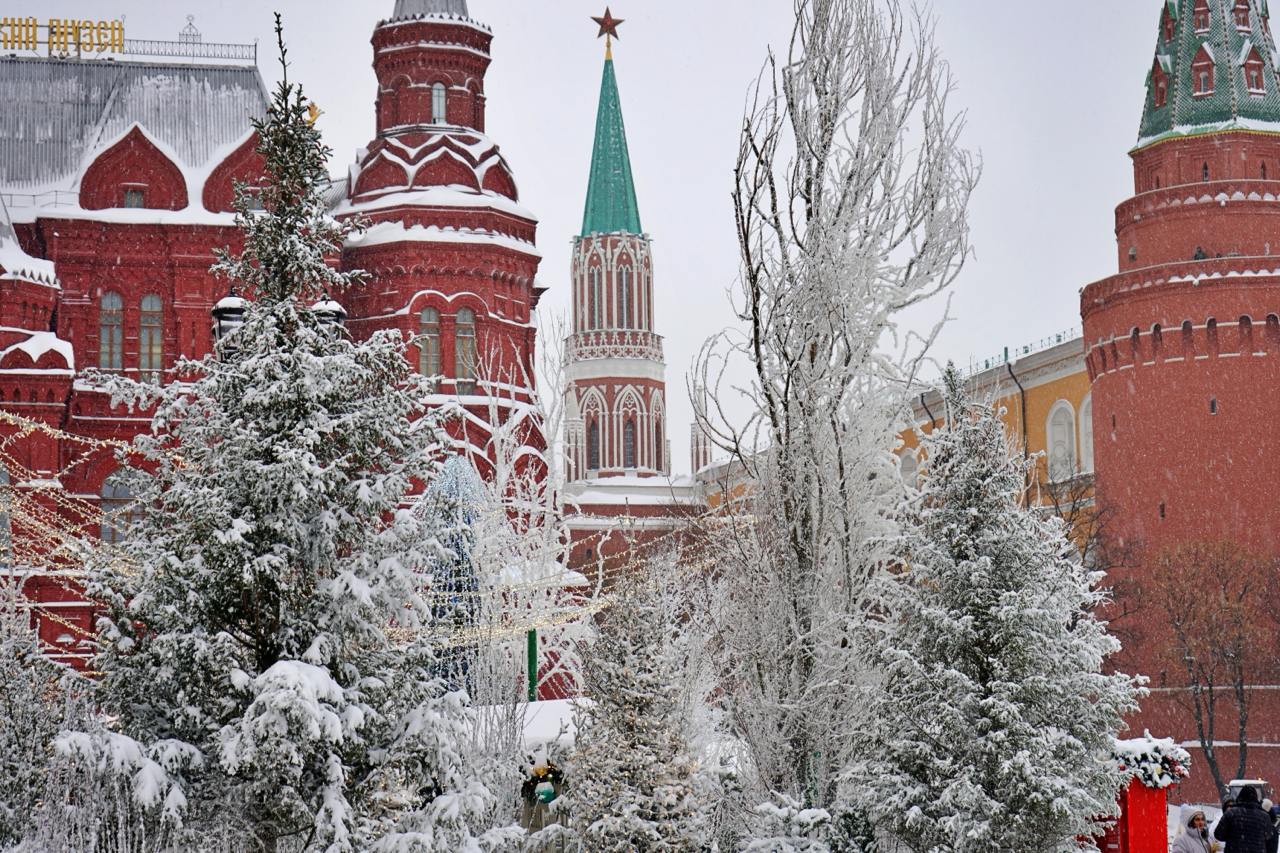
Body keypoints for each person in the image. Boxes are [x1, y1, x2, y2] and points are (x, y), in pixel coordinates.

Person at [1214, 785, 1279, 853]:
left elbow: (1218, 834)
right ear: (1255, 798)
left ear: (1240, 797)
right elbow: (1269, 836)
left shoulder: (1231, 813)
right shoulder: (1264, 817)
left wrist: (1231, 836)